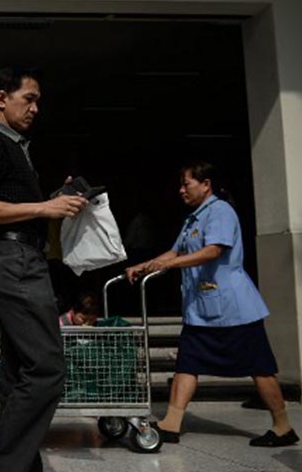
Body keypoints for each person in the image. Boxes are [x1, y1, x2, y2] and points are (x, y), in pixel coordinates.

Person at [0, 68, 87, 472]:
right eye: (28, 99)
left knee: (21, 372)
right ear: (2, 98)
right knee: (48, 365)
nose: (35, 108)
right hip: (13, 262)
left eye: (38, 101)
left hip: (23, 259)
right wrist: (45, 206)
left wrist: (55, 203)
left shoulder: (14, 146)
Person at [127, 161, 297, 447]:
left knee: (259, 366)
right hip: (202, 310)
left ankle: (282, 426)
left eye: (186, 184)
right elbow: (174, 251)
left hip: (234, 309)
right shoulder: (193, 218)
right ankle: (171, 422)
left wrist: (171, 265)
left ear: (206, 185)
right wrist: (143, 266)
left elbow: (213, 250)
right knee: (187, 363)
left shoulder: (221, 211)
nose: (181, 190)